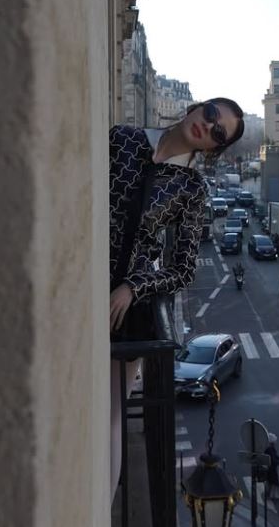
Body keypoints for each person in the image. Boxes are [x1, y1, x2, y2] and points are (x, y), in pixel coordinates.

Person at [109, 98, 245, 497]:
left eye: (219, 133)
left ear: (214, 148)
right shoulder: (123, 138)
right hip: (79, 271)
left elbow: (183, 269)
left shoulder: (192, 188)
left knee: (110, 417)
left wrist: (134, 287)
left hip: (124, 307)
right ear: (196, 108)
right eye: (211, 114)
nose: (209, 126)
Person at [263, 432, 279, 499]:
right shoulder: (269, 449)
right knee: (274, 482)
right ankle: (272, 495)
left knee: (272, 482)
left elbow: (275, 456)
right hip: (271, 470)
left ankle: (271, 494)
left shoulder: (270, 448)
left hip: (271, 469)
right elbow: (273, 460)